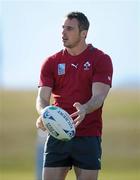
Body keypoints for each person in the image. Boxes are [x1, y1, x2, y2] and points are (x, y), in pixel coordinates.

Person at [36, 11, 113, 180]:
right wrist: (43, 112)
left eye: (69, 28)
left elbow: (99, 96)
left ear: (83, 33)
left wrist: (85, 108)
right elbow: (42, 98)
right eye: (63, 28)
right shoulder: (51, 62)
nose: (63, 32)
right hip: (57, 133)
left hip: (88, 134)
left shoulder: (101, 59)